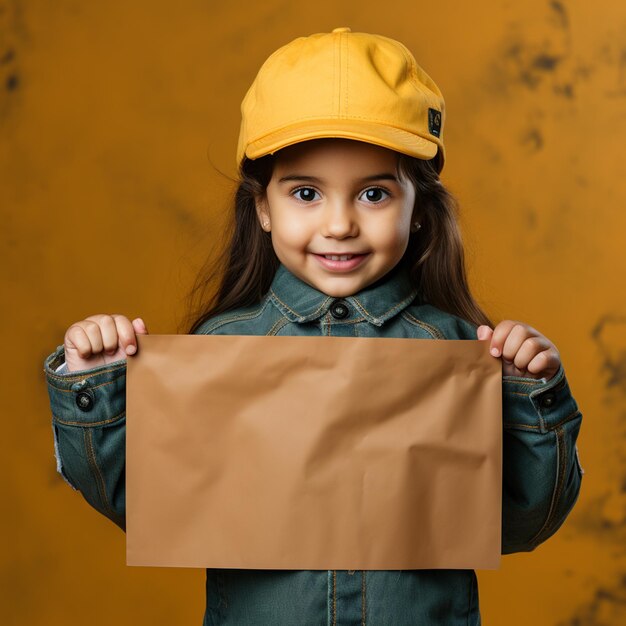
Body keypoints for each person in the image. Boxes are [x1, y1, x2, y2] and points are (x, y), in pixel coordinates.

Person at [42, 27, 584, 625]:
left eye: (374, 194)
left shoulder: (461, 351)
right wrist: (94, 388)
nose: (340, 224)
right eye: (306, 192)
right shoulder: (221, 351)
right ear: (263, 207)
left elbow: (522, 522)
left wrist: (530, 397)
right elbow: (149, 505)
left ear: (419, 211)